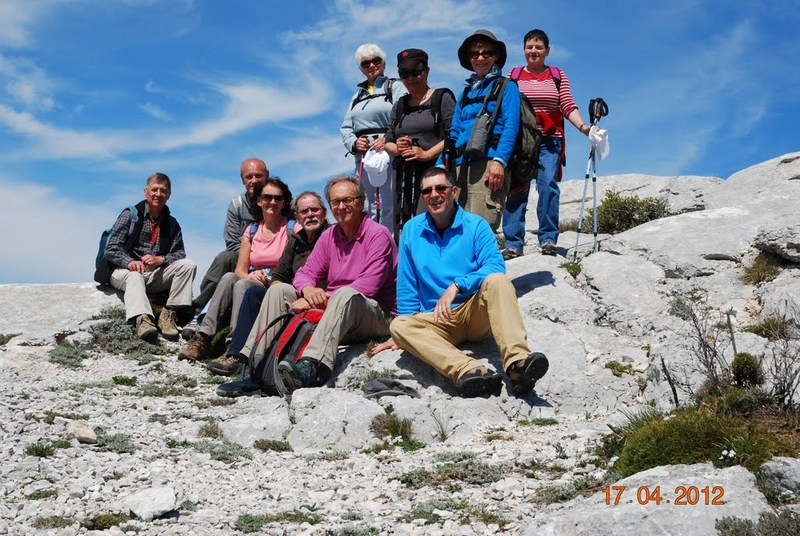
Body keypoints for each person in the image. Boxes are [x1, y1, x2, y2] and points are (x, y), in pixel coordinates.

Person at [374, 167, 549, 397]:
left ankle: (517, 364)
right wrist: (403, 338)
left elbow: (495, 266)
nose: (434, 195)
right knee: (399, 326)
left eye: (440, 188)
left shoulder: (476, 226)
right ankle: (469, 370)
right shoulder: (411, 230)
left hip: (473, 313)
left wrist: (457, 285)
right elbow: (407, 283)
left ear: (454, 192)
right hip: (437, 319)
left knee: (497, 281)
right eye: (427, 191)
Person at [276, 175, 397, 393]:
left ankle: (310, 366)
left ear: (361, 202)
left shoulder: (378, 235)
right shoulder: (329, 235)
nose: (341, 206)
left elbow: (368, 286)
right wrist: (308, 289)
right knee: (279, 290)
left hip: (375, 315)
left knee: (346, 293)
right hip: (336, 311)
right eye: (335, 202)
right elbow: (305, 272)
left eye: (348, 200)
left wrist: (322, 300)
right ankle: (255, 362)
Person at [207, 191, 329, 378]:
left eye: (315, 209)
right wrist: (275, 290)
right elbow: (280, 273)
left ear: (324, 213)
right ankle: (239, 354)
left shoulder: (331, 236)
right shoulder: (297, 240)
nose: (310, 215)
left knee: (275, 290)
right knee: (253, 293)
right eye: (304, 211)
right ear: (297, 216)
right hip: (293, 293)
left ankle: (252, 361)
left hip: (319, 297)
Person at [178, 178, 293, 362]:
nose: (272, 202)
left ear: (284, 202)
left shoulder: (291, 229)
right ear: (259, 201)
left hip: (277, 284)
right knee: (229, 277)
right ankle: (203, 337)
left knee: (241, 285)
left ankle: (234, 344)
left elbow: (294, 266)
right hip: (254, 280)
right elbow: (240, 269)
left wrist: (264, 278)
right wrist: (251, 275)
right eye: (267, 197)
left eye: (277, 198)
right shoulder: (252, 230)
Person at [502, 29, 590, 258]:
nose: (533, 51)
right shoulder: (514, 75)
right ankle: (513, 242)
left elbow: (567, 105)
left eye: (538, 47)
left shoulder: (556, 74)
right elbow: (507, 108)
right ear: (523, 51)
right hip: (522, 141)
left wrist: (584, 128)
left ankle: (548, 239)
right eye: (529, 47)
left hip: (550, 139)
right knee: (516, 189)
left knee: (548, 186)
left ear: (547, 51)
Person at [436, 29, 519, 235]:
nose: (480, 57)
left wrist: (500, 162)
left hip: (489, 165)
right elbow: (453, 132)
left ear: (496, 56)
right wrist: (440, 165)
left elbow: (511, 127)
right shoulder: (466, 92)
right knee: (457, 232)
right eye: (474, 54)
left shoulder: (507, 87)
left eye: (486, 52)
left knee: (481, 230)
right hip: (457, 168)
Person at [104, 172, 196, 341]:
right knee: (134, 276)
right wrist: (129, 261)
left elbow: (180, 253)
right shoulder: (130, 215)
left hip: (153, 274)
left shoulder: (172, 223)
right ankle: (142, 320)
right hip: (124, 272)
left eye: (163, 191)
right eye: (155, 189)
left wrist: (161, 260)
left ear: (169, 195)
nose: (158, 194)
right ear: (145, 191)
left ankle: (169, 314)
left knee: (188, 265)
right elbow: (111, 248)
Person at [385, 48, 455, 234]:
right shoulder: (399, 104)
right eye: (404, 74)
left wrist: (426, 154)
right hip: (403, 176)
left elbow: (453, 136)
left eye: (416, 72)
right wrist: (398, 148)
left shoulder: (442, 98)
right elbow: (388, 141)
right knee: (401, 221)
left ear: (426, 71)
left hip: (433, 173)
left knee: (429, 220)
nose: (410, 79)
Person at [340, 43, 407, 236]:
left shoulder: (395, 87)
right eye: (365, 63)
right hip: (363, 155)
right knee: (366, 204)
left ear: (383, 63)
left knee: (389, 202)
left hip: (388, 152)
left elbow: (403, 116)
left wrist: (387, 139)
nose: (371, 65)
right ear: (361, 68)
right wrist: (353, 143)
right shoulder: (356, 97)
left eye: (375, 60)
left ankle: (391, 247)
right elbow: (346, 127)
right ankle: (370, 246)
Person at [192, 158, 268, 311]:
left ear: (266, 175)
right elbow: (232, 242)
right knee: (225, 258)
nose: (254, 180)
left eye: (258, 176)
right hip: (244, 258)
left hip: (275, 260)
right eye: (249, 176)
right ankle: (198, 307)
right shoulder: (237, 204)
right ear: (242, 180)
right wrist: (252, 260)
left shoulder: (279, 200)